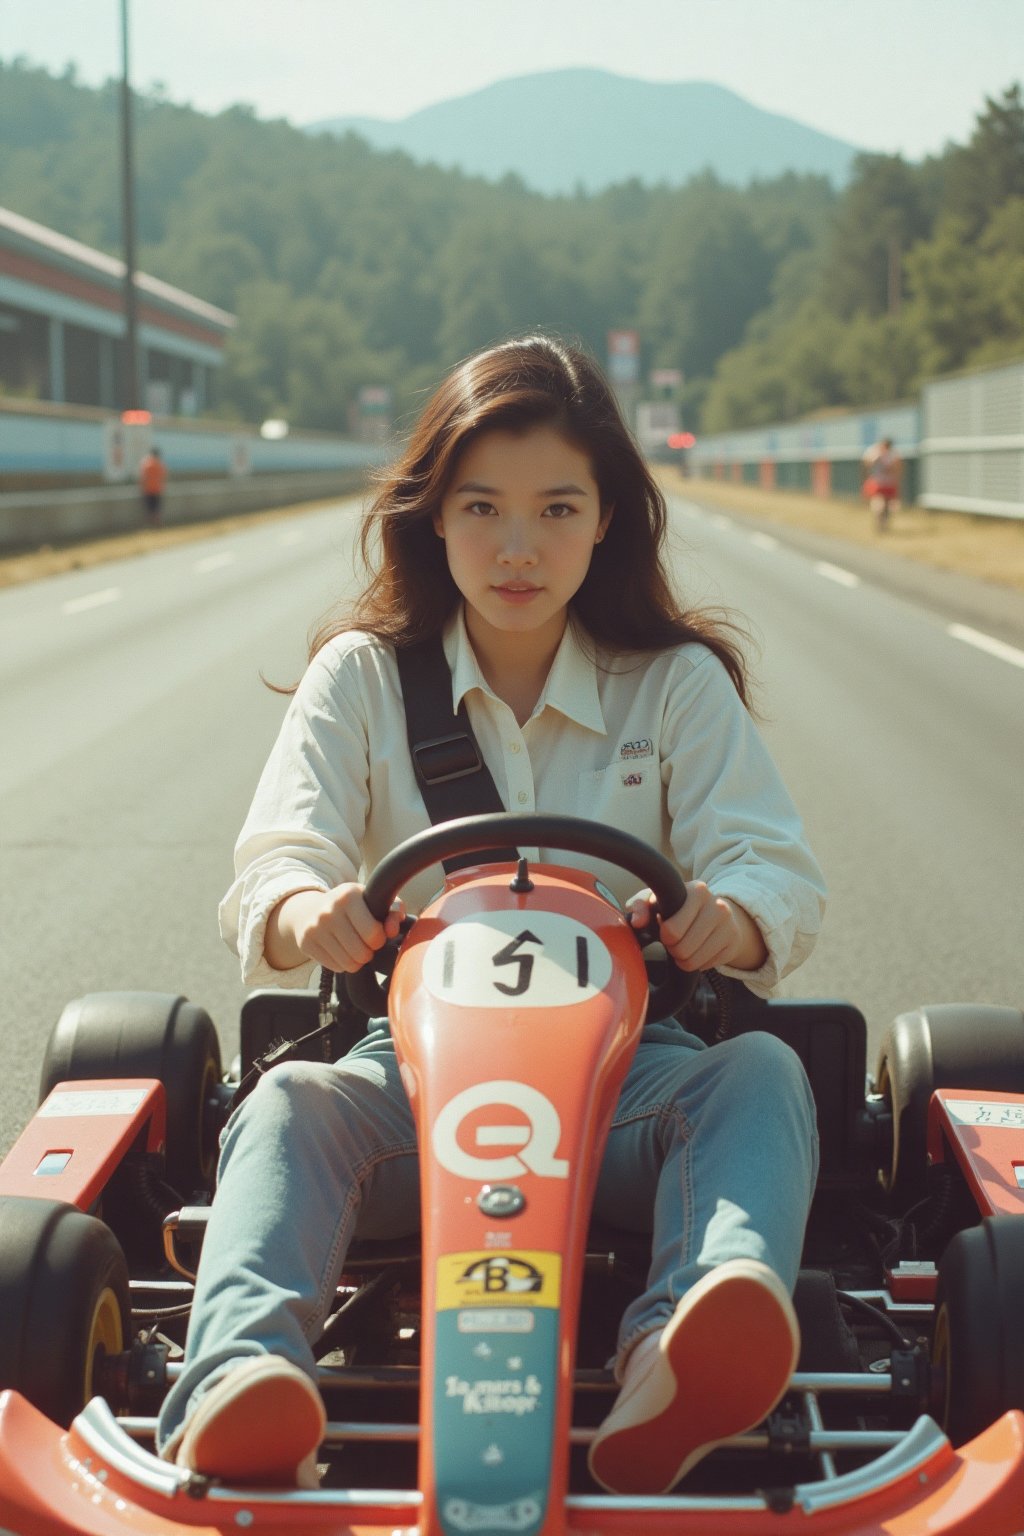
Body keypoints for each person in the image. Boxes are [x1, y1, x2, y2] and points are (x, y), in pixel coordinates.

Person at [156, 335, 826, 1495]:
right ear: (434, 517)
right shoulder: (363, 678)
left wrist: (734, 915)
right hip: (409, 1092)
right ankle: (240, 1379)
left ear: (607, 517)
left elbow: (773, 868)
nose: (518, 548)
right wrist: (308, 907)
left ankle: (678, 1354)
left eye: (557, 509)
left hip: (628, 1088)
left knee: (761, 1073)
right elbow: (277, 859)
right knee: (290, 1101)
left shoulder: (671, 685)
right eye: (483, 509)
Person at [861, 436, 901, 531]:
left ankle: (884, 524)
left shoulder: (893, 454)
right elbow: (866, 464)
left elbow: (898, 468)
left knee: (888, 506)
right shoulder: (874, 452)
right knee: (879, 504)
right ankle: (879, 522)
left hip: (889, 483)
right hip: (877, 482)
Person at [139, 445, 167, 526]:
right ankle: (157, 523)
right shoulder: (160, 464)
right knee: (157, 508)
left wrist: (142, 487)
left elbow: (143, 477)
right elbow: (163, 476)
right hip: (158, 489)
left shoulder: (146, 464)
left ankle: (150, 524)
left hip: (148, 489)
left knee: (149, 508)